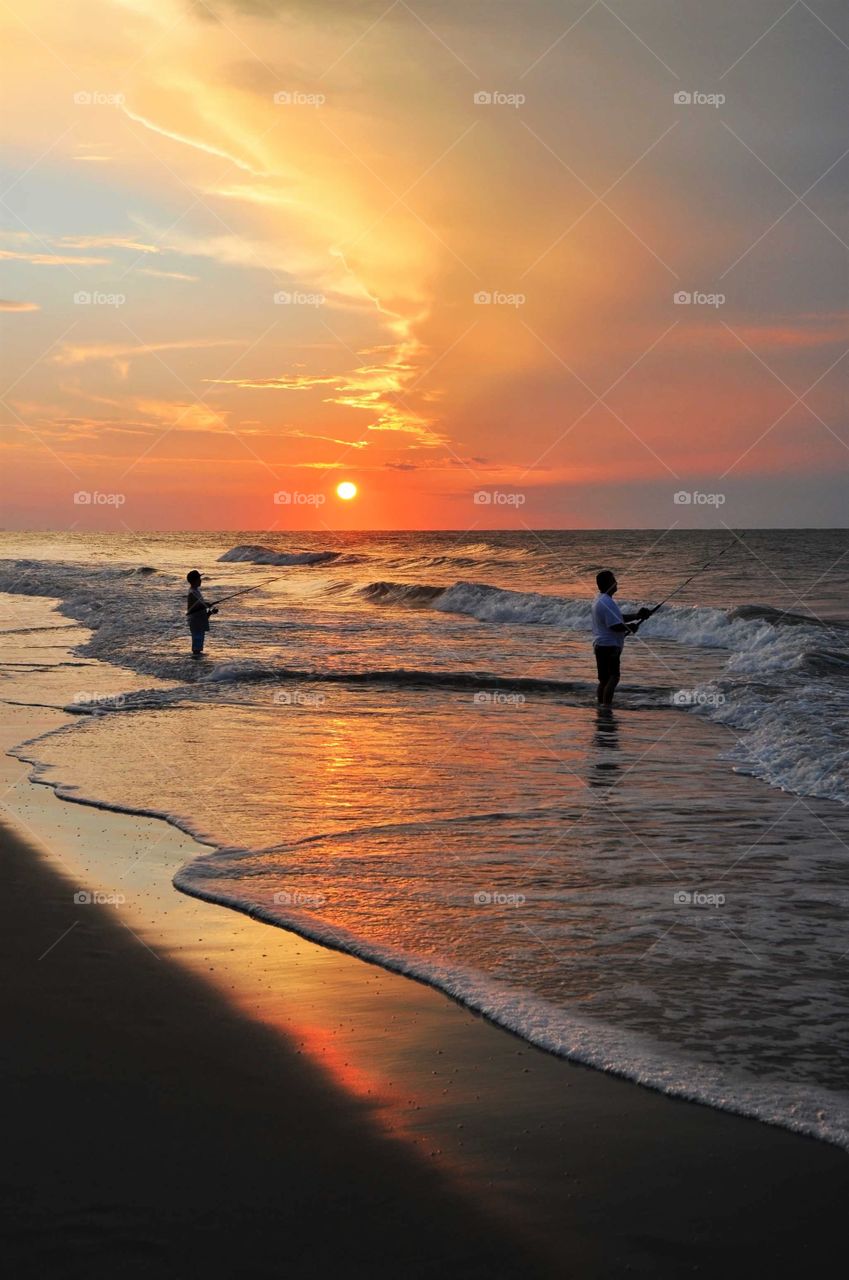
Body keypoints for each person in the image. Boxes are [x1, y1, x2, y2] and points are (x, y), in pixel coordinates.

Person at [591, 570, 652, 707]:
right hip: (609, 646)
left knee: (604, 680)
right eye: (613, 580)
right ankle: (606, 708)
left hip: (600, 645)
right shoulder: (607, 602)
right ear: (608, 583)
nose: (616, 582)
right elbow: (615, 626)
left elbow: (617, 618)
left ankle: (601, 706)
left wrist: (637, 616)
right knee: (613, 678)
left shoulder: (600, 599)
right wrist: (630, 627)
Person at [186, 570, 218, 658]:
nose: (201, 580)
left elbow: (199, 608)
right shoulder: (192, 593)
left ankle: (197, 664)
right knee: (197, 646)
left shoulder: (196, 591)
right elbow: (195, 608)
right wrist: (206, 605)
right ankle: (196, 665)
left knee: (198, 645)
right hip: (196, 622)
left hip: (199, 621)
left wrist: (210, 612)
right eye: (199, 578)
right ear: (195, 580)